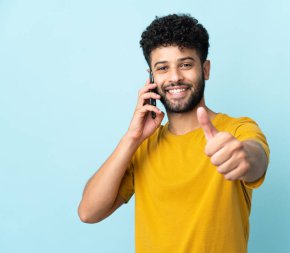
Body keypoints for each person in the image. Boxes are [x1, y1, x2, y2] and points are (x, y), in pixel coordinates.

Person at [78, 14, 270, 253]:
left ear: (206, 69)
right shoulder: (143, 145)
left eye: (186, 64)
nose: (175, 77)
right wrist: (132, 138)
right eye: (162, 68)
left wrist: (243, 156)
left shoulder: (237, 130)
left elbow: (257, 159)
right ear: (151, 77)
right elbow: (88, 212)